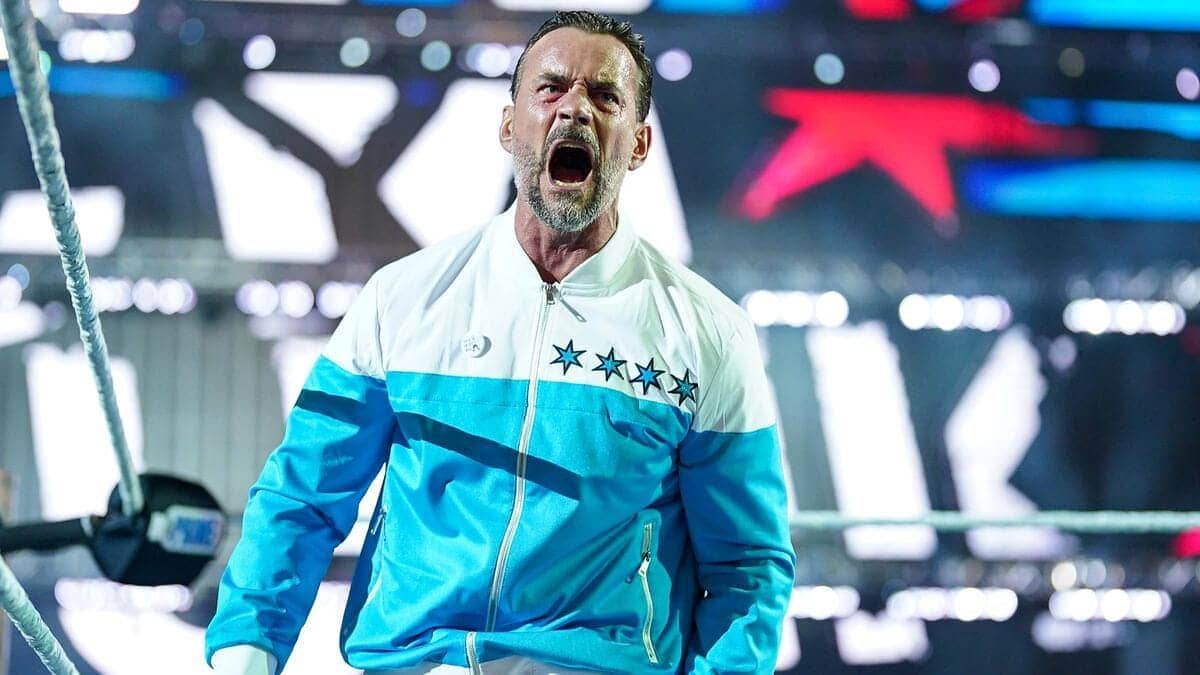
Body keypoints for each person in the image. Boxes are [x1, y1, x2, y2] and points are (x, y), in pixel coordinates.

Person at [206, 10, 795, 675]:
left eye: (605, 96)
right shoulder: (402, 299)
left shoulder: (708, 331)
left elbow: (748, 566)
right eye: (551, 88)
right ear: (509, 126)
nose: (574, 108)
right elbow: (302, 496)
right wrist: (246, 654)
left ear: (638, 144)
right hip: (416, 663)